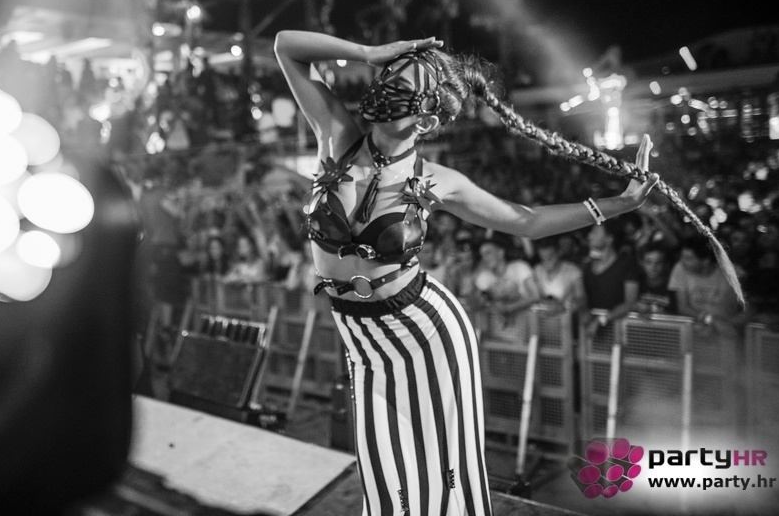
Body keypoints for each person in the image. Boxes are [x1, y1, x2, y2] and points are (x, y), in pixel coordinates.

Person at [274, 30, 661, 516]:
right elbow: (286, 46)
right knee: (388, 485)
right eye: (388, 75)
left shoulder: (438, 179)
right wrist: (367, 53)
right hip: (364, 343)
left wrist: (619, 204)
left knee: (446, 477)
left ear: (427, 118)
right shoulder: (335, 134)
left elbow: (526, 221)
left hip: (426, 334)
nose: (385, 85)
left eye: (401, 85)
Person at [471, 233, 540, 343]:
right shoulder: (484, 276)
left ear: (501, 252)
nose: (485, 258)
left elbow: (535, 295)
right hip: (497, 338)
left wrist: (510, 307)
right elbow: (474, 304)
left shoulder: (520, 267)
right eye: (482, 255)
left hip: (523, 337)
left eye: (488, 253)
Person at [583, 219, 642, 335]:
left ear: (609, 239)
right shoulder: (587, 266)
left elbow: (630, 302)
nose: (590, 236)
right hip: (591, 334)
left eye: (595, 232)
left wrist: (602, 320)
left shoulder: (627, 264)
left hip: (621, 333)